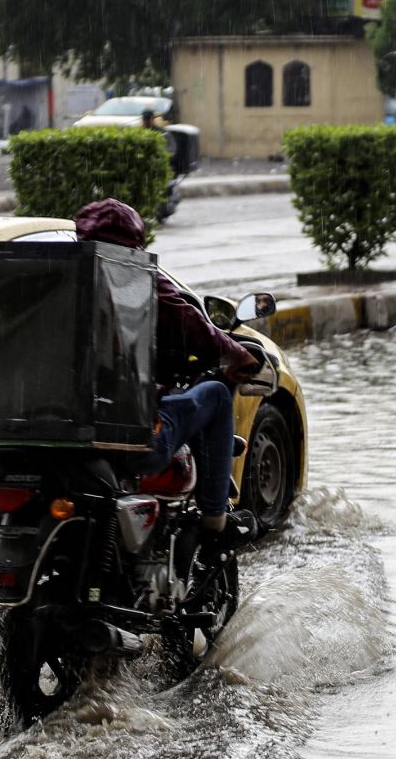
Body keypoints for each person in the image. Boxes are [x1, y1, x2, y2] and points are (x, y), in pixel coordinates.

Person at [75, 198, 259, 554]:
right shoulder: (129, 272)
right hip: (119, 433)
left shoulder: (54, 276)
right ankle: (215, 523)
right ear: (135, 245)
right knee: (218, 396)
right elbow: (188, 323)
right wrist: (237, 353)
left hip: (43, 434)